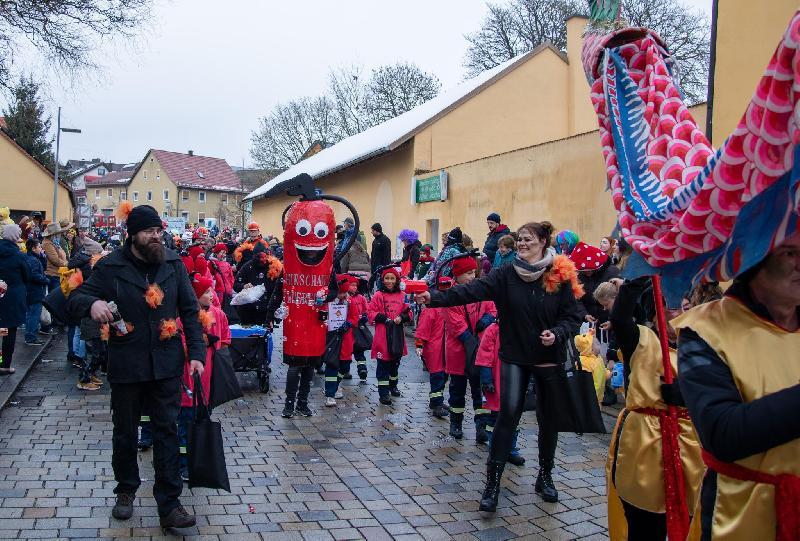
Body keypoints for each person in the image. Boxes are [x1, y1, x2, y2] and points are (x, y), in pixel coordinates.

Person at [416, 221, 583, 512]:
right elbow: (471, 291)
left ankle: (545, 476)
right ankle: (492, 484)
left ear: (543, 241)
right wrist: (435, 298)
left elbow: (573, 316)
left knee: (549, 419)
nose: (521, 244)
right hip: (514, 355)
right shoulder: (506, 273)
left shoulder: (560, 274)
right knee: (507, 415)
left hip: (547, 357)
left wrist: (557, 332)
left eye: (528, 239)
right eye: (519, 240)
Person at [67, 204, 205, 529]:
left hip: (167, 364)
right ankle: (126, 491)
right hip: (127, 364)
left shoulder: (172, 263)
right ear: (133, 235)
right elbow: (75, 298)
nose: (156, 237)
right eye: (148, 232)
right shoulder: (111, 266)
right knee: (126, 432)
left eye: (158, 231)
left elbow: (189, 309)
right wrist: (93, 303)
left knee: (167, 431)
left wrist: (196, 352)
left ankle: (170, 503)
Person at [674, 230, 800, 541]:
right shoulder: (705, 330)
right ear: (752, 257)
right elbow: (722, 433)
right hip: (742, 517)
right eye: (790, 252)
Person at [606, 277, 703, 541]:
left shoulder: (704, 347)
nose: (682, 314)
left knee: (692, 520)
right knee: (647, 524)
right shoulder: (641, 339)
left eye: (687, 306)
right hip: (646, 442)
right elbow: (620, 318)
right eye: (673, 307)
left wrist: (689, 393)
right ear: (656, 312)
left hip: (691, 444)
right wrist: (635, 282)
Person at [177, 275, 230, 481]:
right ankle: (184, 464)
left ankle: (198, 460)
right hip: (189, 383)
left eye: (211, 291)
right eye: (207, 292)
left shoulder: (219, 315)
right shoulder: (184, 319)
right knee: (185, 426)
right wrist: (203, 341)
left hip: (208, 384)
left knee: (202, 421)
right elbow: (179, 345)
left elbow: (225, 340)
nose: (212, 295)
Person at [442, 256, 496, 441]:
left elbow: (492, 309)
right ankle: (456, 422)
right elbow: (454, 322)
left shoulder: (482, 290)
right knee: (457, 390)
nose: (472, 276)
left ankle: (481, 425)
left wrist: (487, 320)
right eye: (467, 273)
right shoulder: (451, 294)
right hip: (459, 350)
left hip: (480, 348)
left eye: (474, 272)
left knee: (479, 391)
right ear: (457, 275)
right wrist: (467, 337)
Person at [476, 320, 525, 466]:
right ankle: (495, 449)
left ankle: (510, 450)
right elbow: (484, 355)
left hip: (514, 379)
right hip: (496, 382)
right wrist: (486, 380)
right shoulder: (493, 330)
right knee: (494, 419)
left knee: (514, 418)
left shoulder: (519, 328)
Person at [368, 267, 412, 405]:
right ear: (382, 280)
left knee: (395, 364)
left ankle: (393, 386)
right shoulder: (378, 295)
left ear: (397, 280)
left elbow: (409, 312)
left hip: (397, 334)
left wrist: (401, 317)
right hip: (383, 334)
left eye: (392, 278)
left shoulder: (402, 295)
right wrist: (384, 318)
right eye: (387, 278)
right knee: (383, 366)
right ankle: (383, 393)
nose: (389, 281)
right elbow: (370, 312)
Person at [323, 275, 360, 407]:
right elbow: (321, 316)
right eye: (340, 292)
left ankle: (335, 384)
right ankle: (330, 393)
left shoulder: (350, 303)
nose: (342, 295)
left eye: (344, 292)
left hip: (346, 338)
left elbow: (354, 317)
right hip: (332, 338)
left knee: (345, 366)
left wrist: (348, 324)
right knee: (332, 365)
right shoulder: (327, 302)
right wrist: (326, 323)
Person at [0, 225, 30, 375]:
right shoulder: (19, 256)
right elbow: (27, 275)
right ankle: (5, 365)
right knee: (9, 331)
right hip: (12, 296)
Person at [570, 242, 620, 325]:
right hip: (589, 322)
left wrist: (613, 320)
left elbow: (620, 300)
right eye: (583, 271)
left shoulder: (613, 273)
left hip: (611, 321)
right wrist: (584, 314)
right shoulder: (579, 276)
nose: (586, 273)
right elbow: (576, 298)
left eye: (588, 270)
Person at [232, 245, 283, 325]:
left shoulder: (274, 266)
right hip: (248, 311)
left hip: (265, 311)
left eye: (264, 256)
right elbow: (236, 285)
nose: (262, 260)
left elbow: (278, 290)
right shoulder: (247, 266)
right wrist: (244, 286)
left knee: (265, 335)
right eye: (259, 257)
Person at [415, 300, 449, 419]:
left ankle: (435, 400)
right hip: (434, 348)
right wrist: (419, 345)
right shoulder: (430, 311)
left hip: (445, 348)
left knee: (444, 375)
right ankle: (437, 404)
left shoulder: (448, 308)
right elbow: (422, 330)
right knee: (437, 375)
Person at [23, 239, 49, 346]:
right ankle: (31, 337)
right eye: (39, 247)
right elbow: (34, 275)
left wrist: (42, 257)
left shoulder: (32, 257)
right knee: (34, 314)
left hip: (31, 291)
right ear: (33, 248)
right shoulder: (33, 260)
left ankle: (30, 336)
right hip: (35, 291)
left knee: (30, 314)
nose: (41, 249)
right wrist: (46, 280)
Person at [345, 275, 369, 381]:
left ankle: (362, 369)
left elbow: (366, 310)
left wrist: (364, 317)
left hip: (359, 327)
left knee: (360, 350)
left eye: (355, 285)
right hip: (349, 328)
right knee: (347, 351)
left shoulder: (361, 298)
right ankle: (345, 370)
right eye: (352, 285)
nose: (354, 287)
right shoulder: (344, 297)